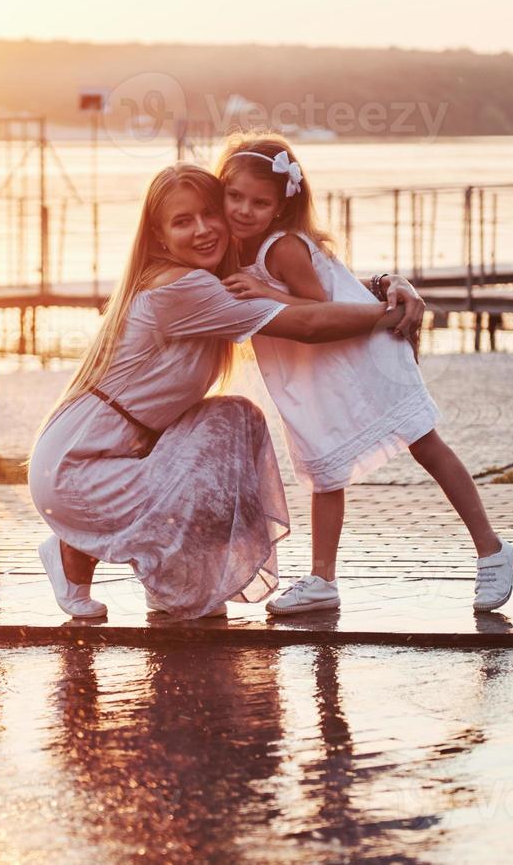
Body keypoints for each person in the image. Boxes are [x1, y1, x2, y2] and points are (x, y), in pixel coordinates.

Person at [27, 163, 427, 621]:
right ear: (159, 235)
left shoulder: (205, 282)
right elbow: (310, 323)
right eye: (182, 221)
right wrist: (387, 314)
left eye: (209, 214)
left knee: (233, 419)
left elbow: (307, 286)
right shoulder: (184, 289)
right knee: (224, 440)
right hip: (76, 470)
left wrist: (385, 283)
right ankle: (78, 553)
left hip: (96, 453)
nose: (202, 230)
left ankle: (163, 575)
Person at [217, 133, 513, 614]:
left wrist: (261, 291)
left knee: (426, 444)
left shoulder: (281, 249)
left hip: (361, 355)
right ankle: (322, 578)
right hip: (316, 370)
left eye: (259, 202)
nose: (244, 210)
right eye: (235, 197)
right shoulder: (239, 249)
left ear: (279, 207)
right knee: (324, 464)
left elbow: (320, 308)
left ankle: (492, 549)